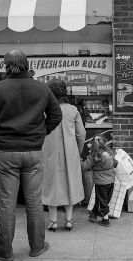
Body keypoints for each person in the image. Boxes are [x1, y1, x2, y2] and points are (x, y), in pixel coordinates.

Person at [0, 50, 62, 259]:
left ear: (6, 66)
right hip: (33, 151)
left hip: (6, 152)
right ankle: (37, 247)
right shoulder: (41, 88)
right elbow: (56, 115)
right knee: (34, 202)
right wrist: (42, 132)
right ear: (27, 64)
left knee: (7, 204)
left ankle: (4, 251)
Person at [42, 79, 86, 232]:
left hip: (49, 152)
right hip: (70, 152)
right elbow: (82, 133)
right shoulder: (73, 109)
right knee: (70, 184)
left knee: (50, 185)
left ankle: (53, 221)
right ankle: (69, 220)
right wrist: (78, 151)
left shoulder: (44, 109)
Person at [81, 135, 116, 227]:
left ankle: (106, 220)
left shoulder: (94, 155)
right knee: (100, 198)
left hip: (101, 182)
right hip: (111, 181)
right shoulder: (109, 152)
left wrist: (79, 160)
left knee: (103, 200)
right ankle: (94, 213)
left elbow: (85, 166)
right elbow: (115, 163)